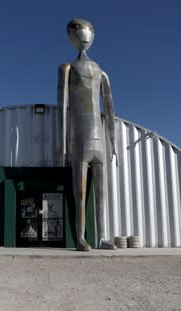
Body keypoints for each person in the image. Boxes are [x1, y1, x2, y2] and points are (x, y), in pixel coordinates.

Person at [58, 19, 117, 251]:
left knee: (102, 195)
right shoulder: (67, 68)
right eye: (80, 31)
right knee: (79, 194)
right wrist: (62, 144)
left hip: (99, 139)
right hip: (79, 137)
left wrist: (113, 144)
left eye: (90, 31)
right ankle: (80, 237)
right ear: (70, 36)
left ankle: (103, 236)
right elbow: (62, 108)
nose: (85, 36)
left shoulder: (101, 72)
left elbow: (110, 110)